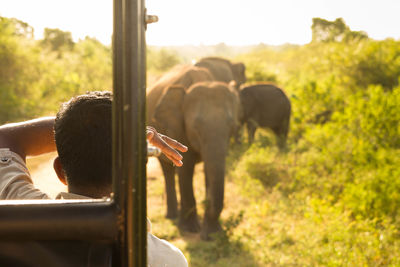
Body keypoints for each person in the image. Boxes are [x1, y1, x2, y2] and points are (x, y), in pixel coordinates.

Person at [0, 91, 188, 267]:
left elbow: (4, 137)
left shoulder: (22, 213)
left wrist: (75, 130)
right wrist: (126, 131)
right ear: (135, 172)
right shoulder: (168, 259)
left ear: (60, 171)